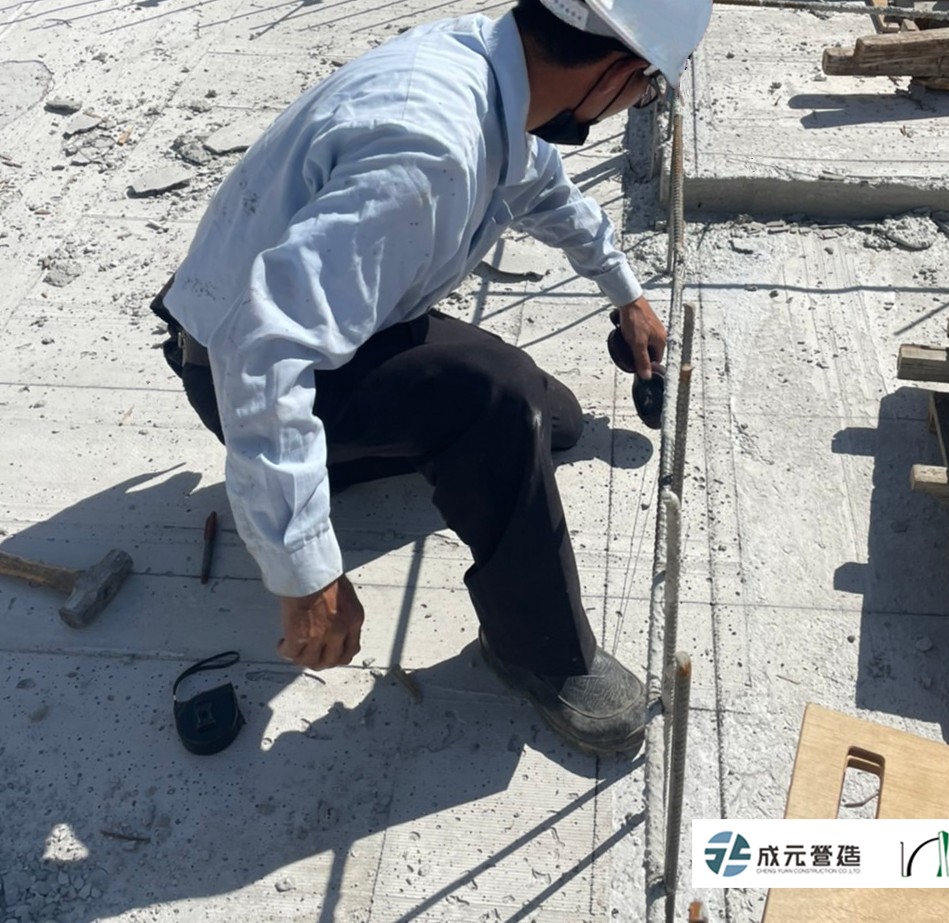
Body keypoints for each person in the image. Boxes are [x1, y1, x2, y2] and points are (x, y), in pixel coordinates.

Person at [152, 0, 713, 756]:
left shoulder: (495, 67)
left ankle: (346, 461)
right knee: (497, 395)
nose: (632, 106)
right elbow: (264, 349)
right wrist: (305, 571)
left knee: (552, 420)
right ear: (617, 72)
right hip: (232, 368)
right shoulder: (433, 148)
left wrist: (627, 296)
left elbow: (544, 189)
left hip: (328, 329)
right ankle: (538, 652)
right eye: (644, 94)